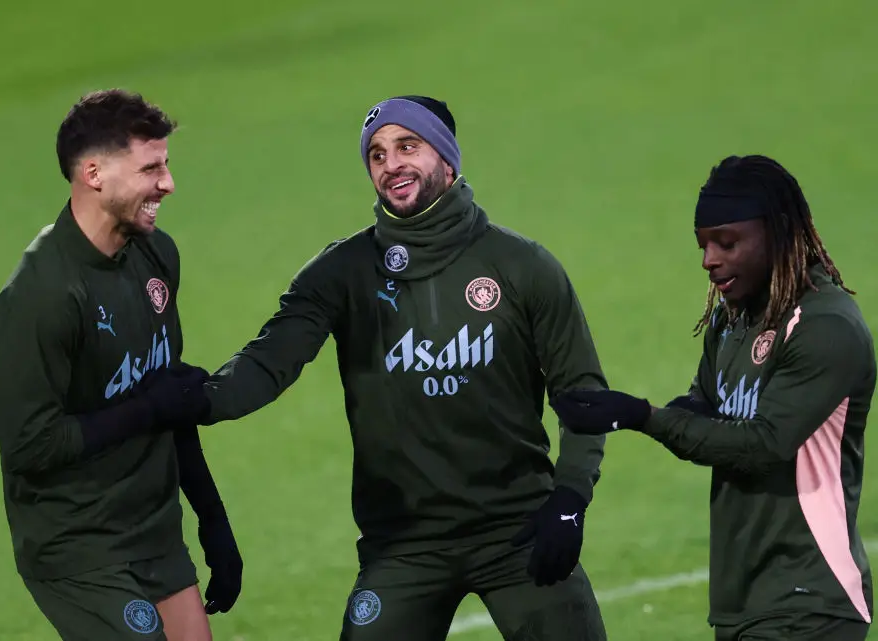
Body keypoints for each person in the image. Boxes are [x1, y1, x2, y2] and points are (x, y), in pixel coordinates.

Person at [202, 95, 609, 640]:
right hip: (403, 545)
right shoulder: (342, 272)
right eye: (376, 154)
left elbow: (581, 391)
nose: (391, 163)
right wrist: (200, 398)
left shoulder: (521, 266)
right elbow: (270, 360)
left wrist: (569, 500)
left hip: (517, 529)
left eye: (407, 146)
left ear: (446, 158)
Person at [551, 155, 874, 641]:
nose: (709, 260)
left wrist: (643, 417)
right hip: (744, 599)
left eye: (727, 242)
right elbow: (706, 413)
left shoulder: (826, 329)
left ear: (778, 233)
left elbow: (763, 444)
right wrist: (614, 410)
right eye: (703, 245)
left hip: (810, 596)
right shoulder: (732, 320)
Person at [0, 89, 242, 641]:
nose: (168, 184)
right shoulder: (42, 297)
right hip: (78, 544)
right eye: (151, 168)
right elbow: (31, 446)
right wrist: (147, 409)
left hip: (154, 529)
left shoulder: (154, 256)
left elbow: (168, 398)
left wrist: (212, 520)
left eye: (166, 165)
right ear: (95, 174)